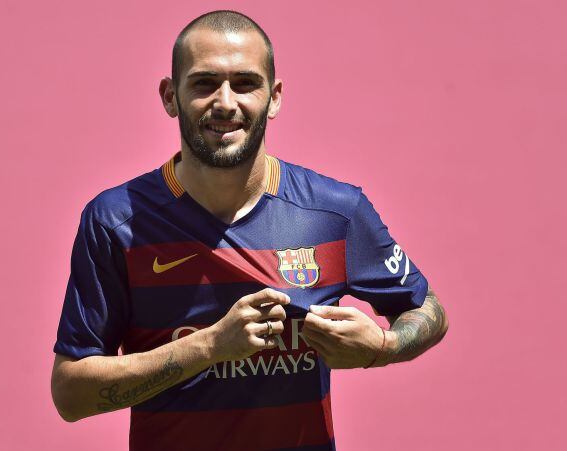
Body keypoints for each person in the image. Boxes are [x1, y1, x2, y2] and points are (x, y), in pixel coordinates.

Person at [51, 10, 448, 451]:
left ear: (274, 97)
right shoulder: (117, 221)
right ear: (169, 96)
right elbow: (71, 393)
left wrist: (383, 347)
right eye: (203, 83)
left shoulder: (335, 212)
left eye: (245, 83)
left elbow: (426, 308)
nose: (225, 102)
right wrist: (208, 347)